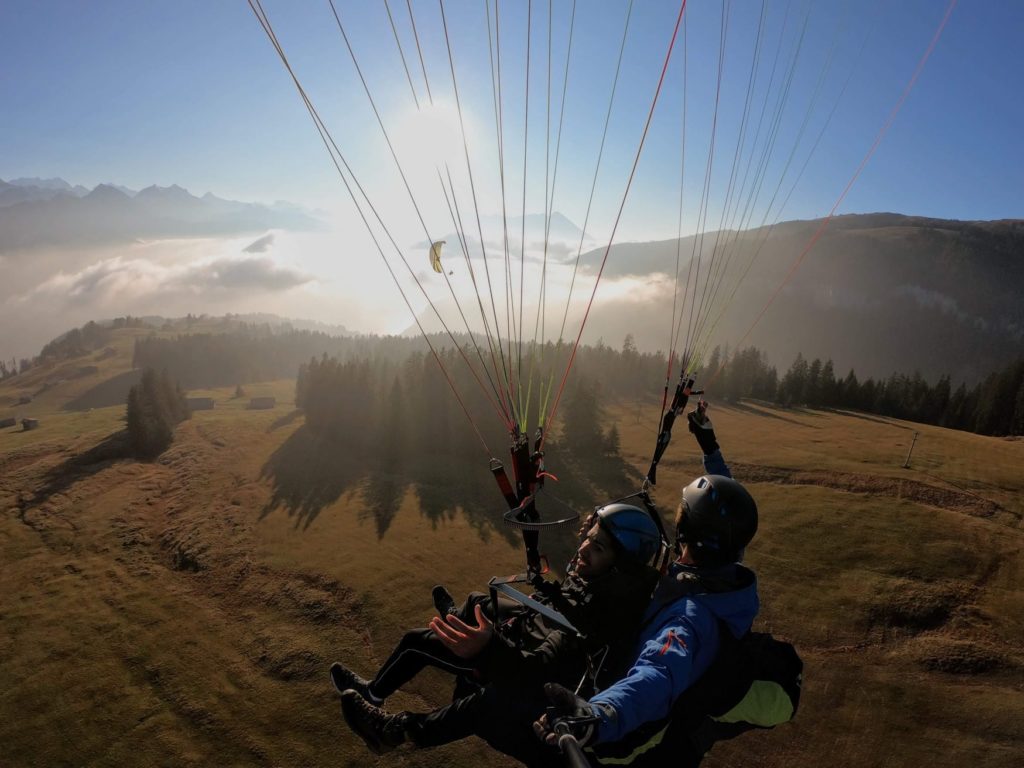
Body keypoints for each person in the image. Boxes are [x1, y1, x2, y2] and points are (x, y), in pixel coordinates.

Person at [332, 503, 663, 762]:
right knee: (479, 601)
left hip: (521, 677)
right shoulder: (605, 587)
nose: (584, 548)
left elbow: (534, 674)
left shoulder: (589, 625)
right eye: (589, 535)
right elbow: (568, 603)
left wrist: (487, 647)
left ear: (620, 569)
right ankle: (452, 622)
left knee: (417, 642)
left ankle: (391, 730)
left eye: (599, 547)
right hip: (528, 633)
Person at [534, 400, 761, 767]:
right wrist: (709, 446)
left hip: (646, 735)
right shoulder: (726, 570)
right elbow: (728, 504)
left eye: (681, 513)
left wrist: (601, 714)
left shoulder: (689, 617)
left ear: (688, 530)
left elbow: (659, 672)